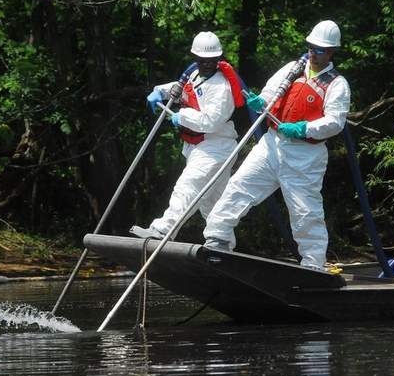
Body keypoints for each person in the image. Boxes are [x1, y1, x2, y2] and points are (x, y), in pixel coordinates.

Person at [202, 20, 351, 271]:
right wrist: (262, 101)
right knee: (239, 186)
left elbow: (335, 122)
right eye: (311, 47)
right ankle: (217, 238)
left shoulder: (337, 84)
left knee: (305, 211)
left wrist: (303, 128)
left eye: (320, 50)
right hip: (272, 144)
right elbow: (272, 92)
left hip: (305, 154)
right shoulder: (294, 68)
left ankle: (313, 265)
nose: (314, 53)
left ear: (332, 52)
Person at [130, 31, 240, 240]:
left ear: (218, 59)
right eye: (202, 60)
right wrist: (159, 92)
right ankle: (222, 242)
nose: (207, 64)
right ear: (196, 58)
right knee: (212, 200)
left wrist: (182, 116)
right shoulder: (194, 75)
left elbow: (211, 121)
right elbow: (181, 88)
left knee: (188, 185)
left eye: (212, 60)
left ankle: (163, 230)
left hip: (216, 146)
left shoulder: (221, 86)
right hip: (198, 146)